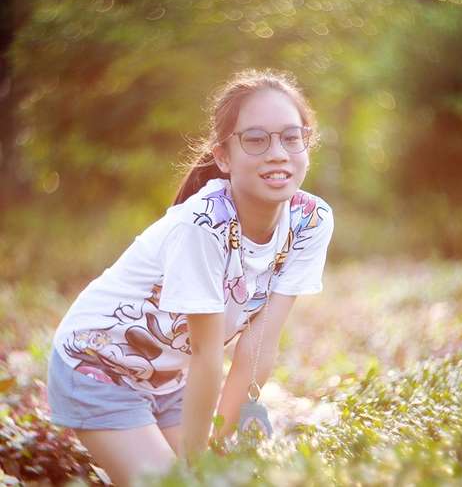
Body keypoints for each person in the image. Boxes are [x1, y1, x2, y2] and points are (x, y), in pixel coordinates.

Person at [46, 67, 334, 486]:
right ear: (223, 156)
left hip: (169, 379)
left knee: (218, 480)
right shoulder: (203, 224)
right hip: (98, 366)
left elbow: (258, 346)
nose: (278, 153)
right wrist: (199, 462)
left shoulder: (310, 219)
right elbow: (206, 353)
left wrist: (218, 447)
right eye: (256, 139)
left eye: (292, 137)